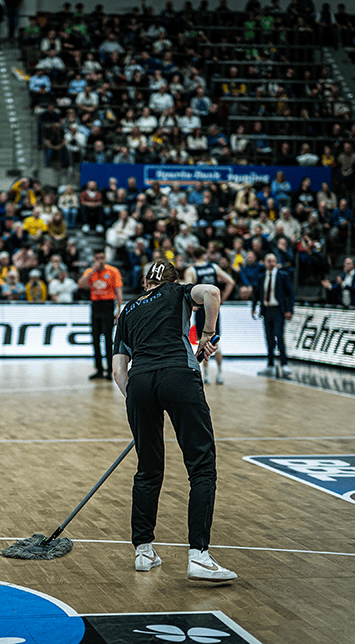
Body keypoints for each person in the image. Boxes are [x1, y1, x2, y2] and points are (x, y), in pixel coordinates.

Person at [111, 259, 236, 583]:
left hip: (139, 384)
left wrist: (137, 402)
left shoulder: (127, 312)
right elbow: (211, 291)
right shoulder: (177, 292)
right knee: (201, 466)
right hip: (179, 375)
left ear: (144, 284)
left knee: (148, 469)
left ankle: (143, 550)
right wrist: (206, 336)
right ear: (172, 279)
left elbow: (117, 371)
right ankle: (199, 556)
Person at [183, 248, 235, 385]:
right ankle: (219, 373)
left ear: (193, 256)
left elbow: (187, 290)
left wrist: (192, 306)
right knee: (216, 341)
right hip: (214, 308)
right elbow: (231, 281)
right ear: (204, 255)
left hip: (201, 310)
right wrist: (221, 299)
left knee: (202, 341)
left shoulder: (192, 271)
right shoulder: (214, 267)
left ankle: (205, 374)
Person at [79, 249, 123, 380]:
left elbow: (118, 291)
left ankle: (110, 370)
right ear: (94, 259)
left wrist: (119, 310)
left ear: (105, 258)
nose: (100, 260)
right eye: (97, 258)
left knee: (108, 340)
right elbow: (81, 284)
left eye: (102, 257)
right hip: (96, 306)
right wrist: (93, 270)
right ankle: (99, 369)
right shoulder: (90, 271)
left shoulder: (113, 271)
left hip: (108, 305)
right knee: (95, 339)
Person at [252, 253, 294, 378]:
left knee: (279, 336)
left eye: (273, 261)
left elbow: (290, 294)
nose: (271, 263)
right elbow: (256, 294)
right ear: (264, 262)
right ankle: (270, 364)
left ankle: (284, 364)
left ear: (276, 262)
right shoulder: (261, 277)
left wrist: (289, 310)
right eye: (268, 261)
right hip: (266, 310)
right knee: (269, 338)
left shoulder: (283, 275)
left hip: (278, 310)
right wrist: (254, 307)